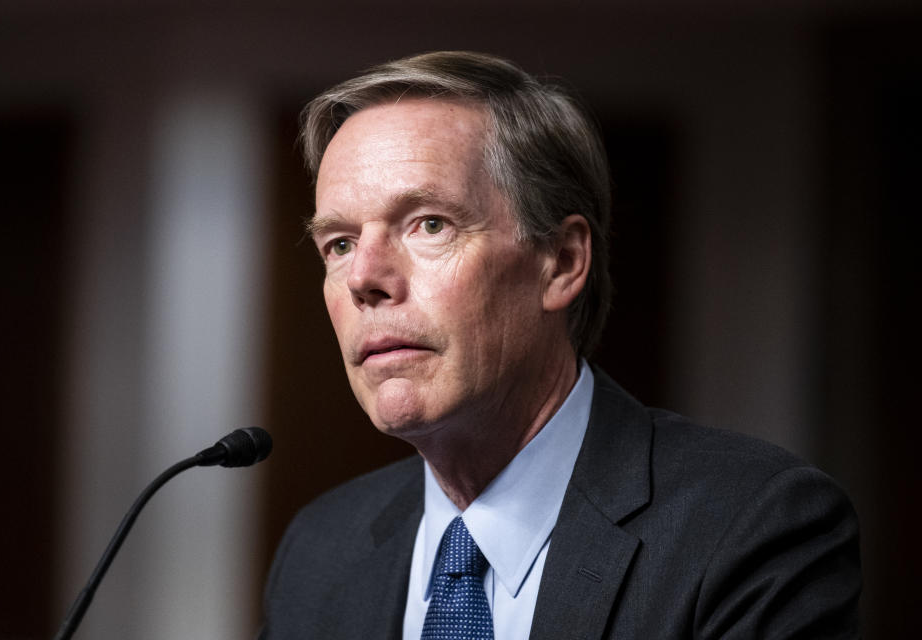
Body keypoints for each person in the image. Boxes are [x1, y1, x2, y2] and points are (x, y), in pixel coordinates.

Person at [259, 51, 861, 639]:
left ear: (562, 262)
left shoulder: (750, 525)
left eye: (430, 224)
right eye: (338, 243)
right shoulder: (319, 551)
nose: (364, 278)